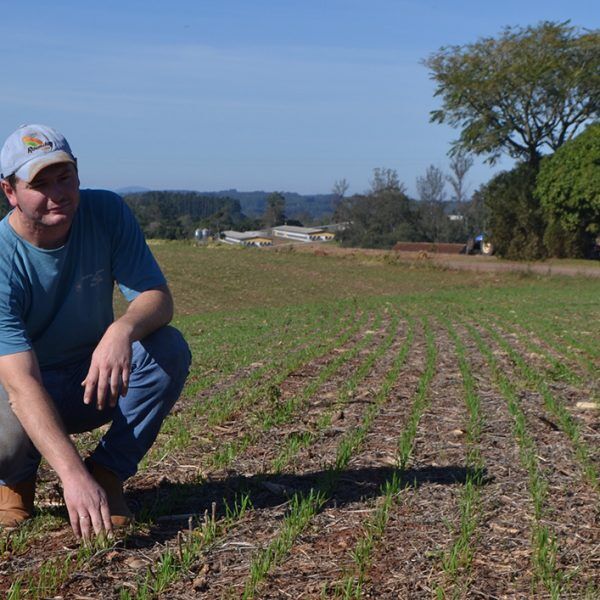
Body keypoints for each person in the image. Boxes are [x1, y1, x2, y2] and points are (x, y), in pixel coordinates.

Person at [0, 124, 191, 540]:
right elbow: (21, 384)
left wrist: (121, 330)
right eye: (40, 183)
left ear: (78, 174)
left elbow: (157, 298)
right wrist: (70, 478)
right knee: (5, 421)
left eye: (64, 176)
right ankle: (15, 481)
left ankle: (106, 472)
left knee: (167, 348)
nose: (58, 193)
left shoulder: (106, 212)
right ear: (10, 192)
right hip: (20, 391)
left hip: (92, 379)